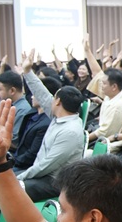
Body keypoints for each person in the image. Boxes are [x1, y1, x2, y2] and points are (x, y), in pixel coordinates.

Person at [16, 55, 87, 202]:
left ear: (58, 101)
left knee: (13, 187)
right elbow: (42, 94)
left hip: (56, 181)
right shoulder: (60, 115)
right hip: (44, 175)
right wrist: (27, 71)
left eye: (53, 97)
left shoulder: (70, 132)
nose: (50, 100)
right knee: (4, 179)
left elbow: (47, 165)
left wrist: (20, 177)